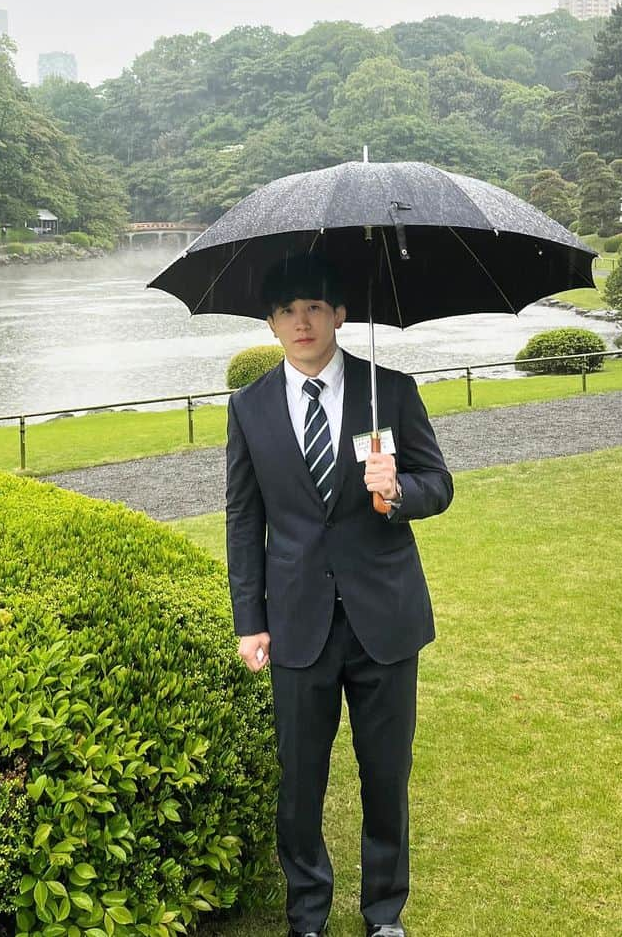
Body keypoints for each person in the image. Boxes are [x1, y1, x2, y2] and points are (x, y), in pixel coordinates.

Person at [225, 254, 453, 937]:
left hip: (385, 620)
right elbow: (244, 519)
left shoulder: (392, 392)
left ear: (340, 315)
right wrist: (249, 621)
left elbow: (437, 484)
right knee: (300, 786)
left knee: (386, 777)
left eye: (315, 307)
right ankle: (308, 914)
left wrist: (398, 491)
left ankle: (384, 913)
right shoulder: (249, 407)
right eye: (288, 310)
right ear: (270, 322)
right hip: (297, 624)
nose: (302, 321)